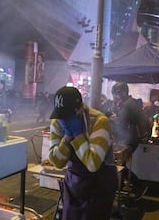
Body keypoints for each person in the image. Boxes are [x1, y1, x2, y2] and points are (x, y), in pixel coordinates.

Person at [48, 86, 118, 220]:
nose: (63, 119)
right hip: (74, 183)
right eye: (60, 114)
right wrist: (67, 138)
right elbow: (57, 162)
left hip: (100, 183)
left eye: (67, 115)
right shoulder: (58, 121)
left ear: (79, 108)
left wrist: (78, 135)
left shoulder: (99, 121)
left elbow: (93, 164)